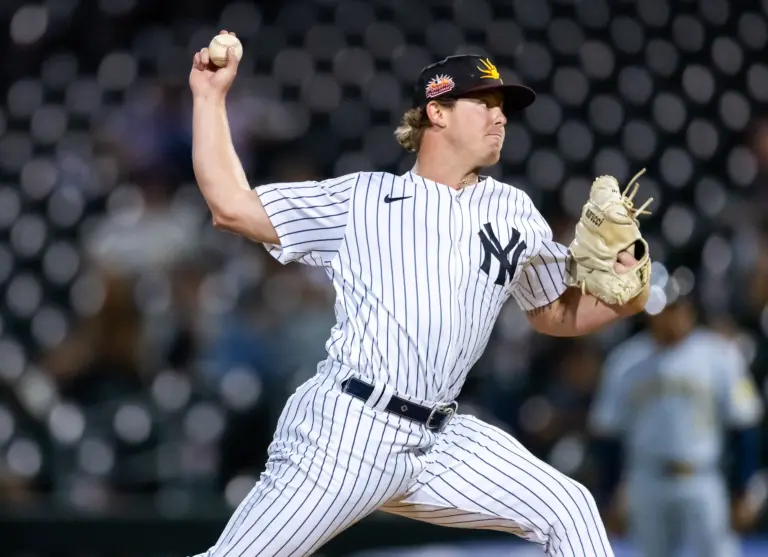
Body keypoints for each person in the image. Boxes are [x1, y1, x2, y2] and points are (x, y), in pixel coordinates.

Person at [189, 30, 650, 557]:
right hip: (348, 430)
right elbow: (231, 205)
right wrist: (210, 95)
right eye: (485, 103)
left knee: (569, 509)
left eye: (503, 107)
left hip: (440, 438)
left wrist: (626, 298)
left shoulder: (515, 209)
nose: (501, 118)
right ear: (438, 112)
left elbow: (552, 313)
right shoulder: (364, 199)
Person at [589, 291, 764, 557]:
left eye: (676, 308)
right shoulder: (626, 360)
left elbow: (744, 426)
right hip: (646, 478)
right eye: (662, 310)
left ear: (689, 310)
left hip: (702, 477)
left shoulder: (719, 355)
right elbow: (608, 433)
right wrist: (610, 494)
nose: (669, 317)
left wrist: (742, 490)